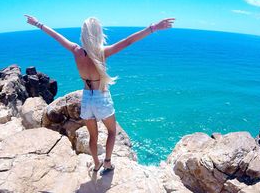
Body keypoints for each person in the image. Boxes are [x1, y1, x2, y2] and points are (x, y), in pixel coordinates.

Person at [25, 14, 175, 175]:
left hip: (86, 98)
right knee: (111, 132)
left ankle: (96, 163)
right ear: (98, 33)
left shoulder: (76, 51)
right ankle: (107, 163)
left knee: (93, 136)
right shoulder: (101, 52)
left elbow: (56, 36)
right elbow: (128, 41)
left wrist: (38, 24)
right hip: (101, 98)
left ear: (83, 34)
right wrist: (153, 27)